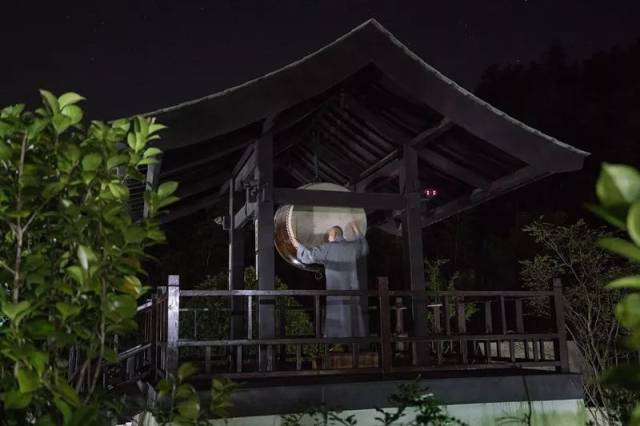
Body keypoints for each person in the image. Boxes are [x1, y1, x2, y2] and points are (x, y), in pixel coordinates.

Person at [291, 222, 368, 339]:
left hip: (335, 292)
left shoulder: (328, 248)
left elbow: (309, 256)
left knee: (337, 321)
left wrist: (298, 246)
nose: (328, 237)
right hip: (352, 293)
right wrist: (356, 229)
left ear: (335, 234)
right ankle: (354, 345)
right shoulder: (352, 247)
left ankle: (338, 343)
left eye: (329, 234)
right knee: (352, 323)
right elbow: (363, 247)